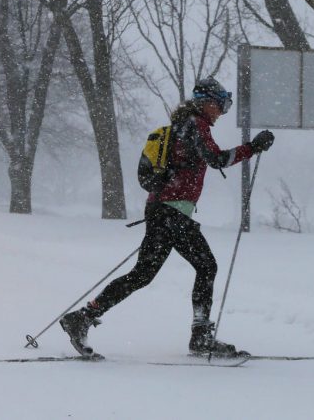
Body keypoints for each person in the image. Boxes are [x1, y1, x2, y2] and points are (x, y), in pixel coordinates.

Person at [59, 76, 275, 358]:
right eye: (221, 105)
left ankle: (82, 318)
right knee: (206, 266)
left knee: (143, 274)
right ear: (207, 102)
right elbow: (217, 159)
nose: (222, 112)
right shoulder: (196, 125)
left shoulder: (183, 126)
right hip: (171, 212)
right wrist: (253, 147)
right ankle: (200, 337)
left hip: (164, 210)